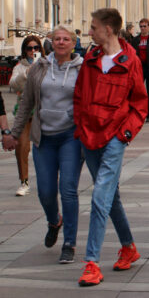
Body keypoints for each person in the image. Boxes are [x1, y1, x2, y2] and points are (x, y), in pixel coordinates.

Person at [73, 8, 147, 286]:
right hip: (89, 136)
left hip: (114, 137)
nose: (89, 32)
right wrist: (80, 127)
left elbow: (140, 104)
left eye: (93, 27)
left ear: (109, 30)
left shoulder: (130, 62)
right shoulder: (91, 58)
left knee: (99, 196)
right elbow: (79, 95)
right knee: (110, 197)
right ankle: (128, 247)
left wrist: (124, 134)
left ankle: (91, 262)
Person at [3, 26, 84, 264]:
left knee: (68, 190)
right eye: (56, 39)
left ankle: (69, 242)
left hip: (70, 136)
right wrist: (14, 134)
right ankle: (53, 220)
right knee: (46, 191)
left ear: (73, 43)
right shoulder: (39, 67)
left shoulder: (83, 69)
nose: (60, 42)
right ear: (51, 43)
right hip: (44, 138)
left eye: (65, 39)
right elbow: (26, 102)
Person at [7, 35, 43, 196]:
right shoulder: (20, 67)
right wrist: (26, 74)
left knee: (45, 147)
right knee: (22, 146)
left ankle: (49, 180)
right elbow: (13, 85)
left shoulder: (47, 64)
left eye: (36, 48)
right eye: (29, 48)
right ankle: (24, 181)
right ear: (24, 50)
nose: (33, 51)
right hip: (25, 111)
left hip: (42, 112)